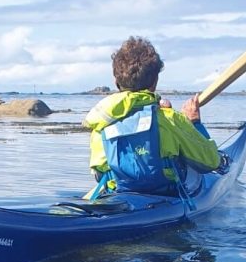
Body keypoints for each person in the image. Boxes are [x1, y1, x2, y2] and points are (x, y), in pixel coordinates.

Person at [84, 36, 221, 197]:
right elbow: (211, 162)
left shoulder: (102, 123)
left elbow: (98, 172)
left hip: (119, 193)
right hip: (167, 193)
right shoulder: (170, 118)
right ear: (155, 81)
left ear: (116, 82)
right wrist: (195, 123)